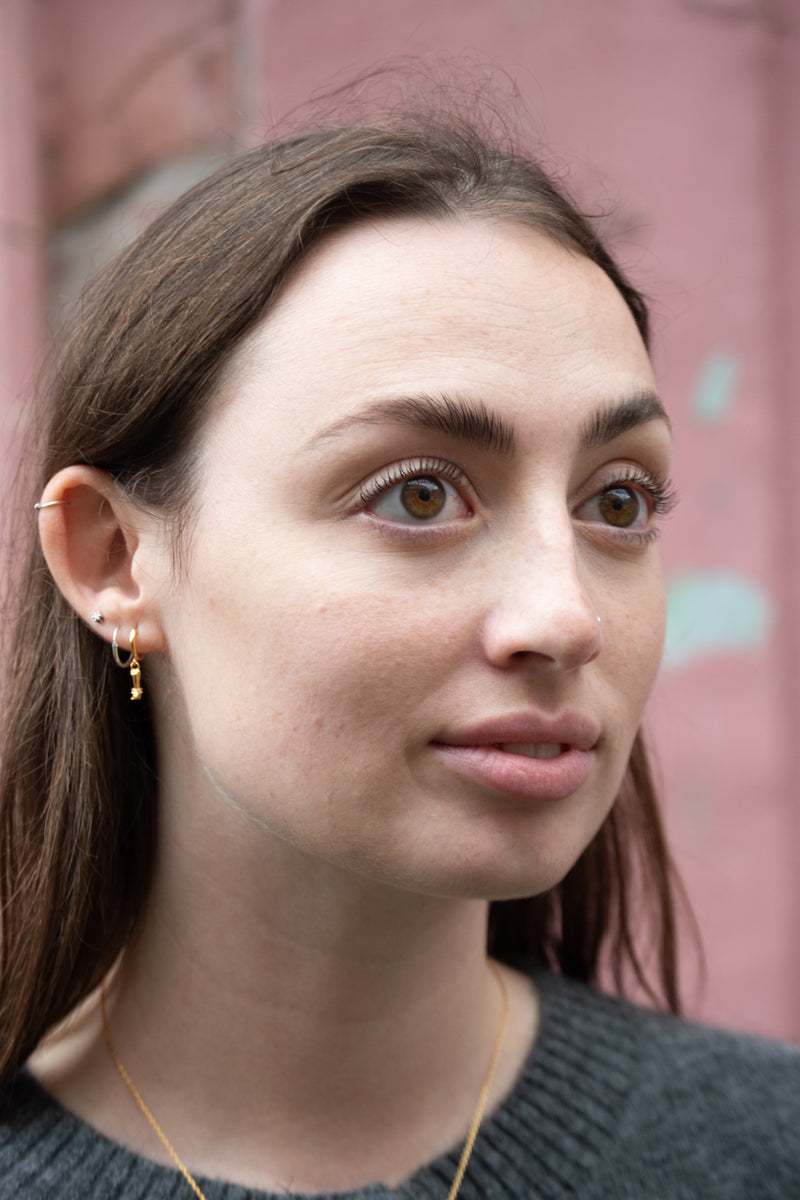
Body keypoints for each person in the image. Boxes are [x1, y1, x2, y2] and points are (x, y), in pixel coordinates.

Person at [0, 112, 797, 1200]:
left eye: (616, 501)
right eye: (417, 494)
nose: (564, 619)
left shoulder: (762, 1152)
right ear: (115, 562)